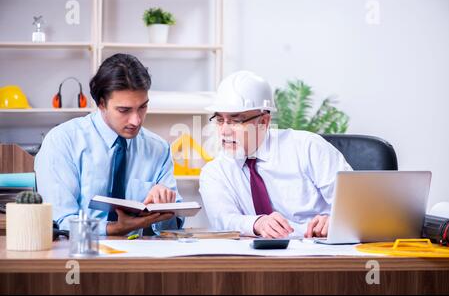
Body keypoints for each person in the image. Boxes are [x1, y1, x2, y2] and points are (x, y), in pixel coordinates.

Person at [35, 53, 182, 236]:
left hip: (141, 257)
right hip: (80, 254)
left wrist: (165, 207)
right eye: (124, 110)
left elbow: (173, 227)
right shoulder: (63, 141)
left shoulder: (158, 148)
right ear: (102, 104)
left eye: (142, 107)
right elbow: (61, 223)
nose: (136, 120)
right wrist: (113, 229)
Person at [199, 71, 352, 238]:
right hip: (256, 259)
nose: (225, 131)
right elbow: (222, 220)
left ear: (264, 122)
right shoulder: (214, 172)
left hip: (322, 253)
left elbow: (358, 206)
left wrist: (335, 221)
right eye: (220, 120)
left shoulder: (308, 148)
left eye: (236, 121)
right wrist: (256, 223)